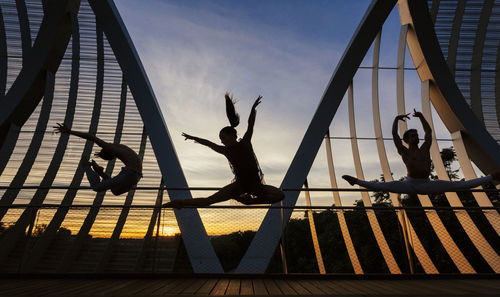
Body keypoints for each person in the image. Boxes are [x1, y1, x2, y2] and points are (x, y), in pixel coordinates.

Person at [165, 93, 285, 208]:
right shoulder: (225, 150)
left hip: (255, 185)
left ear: (232, 135)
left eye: (223, 138)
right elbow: (209, 144)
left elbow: (250, 125)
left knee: (280, 195)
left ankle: (249, 202)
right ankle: (180, 203)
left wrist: (253, 109)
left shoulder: (245, 143)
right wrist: (193, 138)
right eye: (220, 139)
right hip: (239, 186)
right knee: (209, 201)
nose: (221, 141)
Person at [342, 109, 499, 194]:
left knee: (459, 186)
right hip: (409, 184)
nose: (416, 137)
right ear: (407, 140)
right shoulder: (404, 151)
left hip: (427, 184)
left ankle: (492, 176)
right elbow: (395, 136)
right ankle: (355, 181)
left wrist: (422, 117)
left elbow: (429, 133)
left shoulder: (424, 149)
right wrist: (396, 120)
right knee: (384, 186)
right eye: (412, 136)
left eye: (416, 135)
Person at [53, 123, 142, 195]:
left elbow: (91, 137)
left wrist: (70, 131)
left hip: (130, 174)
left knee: (96, 187)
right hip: (136, 177)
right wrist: (101, 160)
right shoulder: (123, 148)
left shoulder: (110, 148)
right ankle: (100, 173)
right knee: (115, 191)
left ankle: (86, 166)